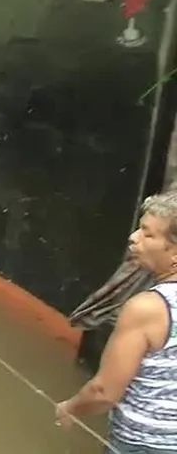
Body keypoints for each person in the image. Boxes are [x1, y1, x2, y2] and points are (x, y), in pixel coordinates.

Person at [57, 191, 177, 453]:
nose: (133, 238)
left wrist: (72, 406)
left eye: (148, 234)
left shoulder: (147, 308)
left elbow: (104, 392)